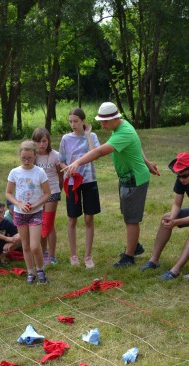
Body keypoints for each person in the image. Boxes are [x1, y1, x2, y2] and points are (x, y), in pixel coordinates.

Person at [62, 102, 159, 267]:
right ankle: (134, 246)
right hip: (127, 179)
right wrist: (148, 162)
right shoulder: (121, 127)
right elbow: (137, 145)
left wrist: (77, 162)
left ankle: (129, 256)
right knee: (127, 214)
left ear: (115, 118)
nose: (102, 124)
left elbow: (99, 151)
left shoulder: (124, 132)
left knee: (131, 219)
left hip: (134, 179)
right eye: (101, 121)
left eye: (105, 121)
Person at [140, 152, 189, 279]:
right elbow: (176, 204)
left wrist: (176, 222)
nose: (181, 179)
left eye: (184, 176)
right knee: (166, 217)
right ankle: (154, 261)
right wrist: (172, 219)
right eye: (178, 176)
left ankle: (175, 270)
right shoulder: (182, 178)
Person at [59, 108, 101, 269]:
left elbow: (95, 153)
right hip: (71, 183)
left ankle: (88, 256)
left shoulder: (92, 136)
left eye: (76, 121)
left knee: (89, 218)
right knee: (72, 219)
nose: (73, 124)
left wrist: (88, 134)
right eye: (70, 121)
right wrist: (68, 168)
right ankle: (73, 255)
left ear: (83, 121)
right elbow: (61, 161)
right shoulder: (65, 139)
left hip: (89, 180)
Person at [5, 140, 51, 285]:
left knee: (35, 246)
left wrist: (35, 205)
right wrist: (18, 204)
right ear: (19, 155)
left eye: (30, 158)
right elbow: (8, 193)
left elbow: (47, 193)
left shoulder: (39, 172)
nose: (26, 160)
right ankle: (30, 272)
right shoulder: (14, 172)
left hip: (36, 213)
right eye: (24, 157)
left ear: (35, 156)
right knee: (25, 246)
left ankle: (40, 270)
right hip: (19, 213)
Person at [32, 127, 63, 266]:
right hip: (38, 194)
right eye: (38, 142)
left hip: (53, 192)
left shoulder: (55, 155)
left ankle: (52, 255)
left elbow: (60, 173)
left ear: (48, 141)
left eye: (44, 141)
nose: (41, 145)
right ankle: (43, 252)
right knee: (40, 223)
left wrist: (58, 190)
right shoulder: (33, 157)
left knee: (48, 223)